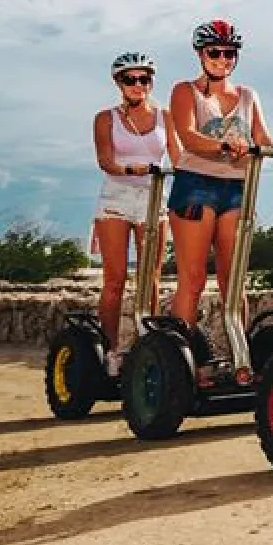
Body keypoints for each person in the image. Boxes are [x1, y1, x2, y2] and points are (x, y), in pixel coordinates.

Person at [164, 20, 273, 377]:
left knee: (233, 279)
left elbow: (261, 137)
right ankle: (179, 363)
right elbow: (188, 138)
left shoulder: (248, 96)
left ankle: (241, 357)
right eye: (215, 53)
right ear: (201, 54)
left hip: (238, 188)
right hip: (196, 184)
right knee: (192, 278)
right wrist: (225, 144)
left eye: (229, 53)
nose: (223, 59)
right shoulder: (184, 91)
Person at [90, 51, 176, 375]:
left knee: (149, 278)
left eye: (145, 78)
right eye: (131, 79)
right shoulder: (105, 118)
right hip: (116, 196)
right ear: (118, 82)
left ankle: (146, 344)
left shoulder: (166, 117)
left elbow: (178, 155)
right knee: (114, 279)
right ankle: (110, 350)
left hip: (154, 196)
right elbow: (106, 161)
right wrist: (132, 168)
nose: (139, 84)